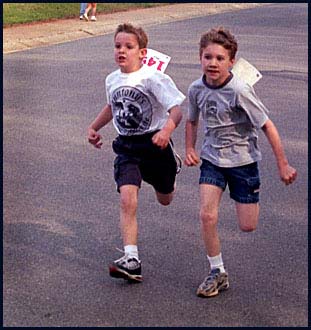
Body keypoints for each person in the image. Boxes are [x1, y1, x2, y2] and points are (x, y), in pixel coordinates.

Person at [185, 27, 297, 298]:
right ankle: (217, 271)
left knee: (248, 225)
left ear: (231, 61)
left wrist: (283, 164)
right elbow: (191, 120)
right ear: (200, 57)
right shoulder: (195, 89)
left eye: (220, 58)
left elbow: (267, 126)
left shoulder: (239, 90)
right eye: (208, 57)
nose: (213, 63)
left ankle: (247, 196)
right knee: (207, 215)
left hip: (243, 162)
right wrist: (189, 147)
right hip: (212, 159)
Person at [87, 23, 185, 283]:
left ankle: (170, 169)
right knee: (127, 198)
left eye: (128, 47)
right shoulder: (112, 79)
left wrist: (166, 132)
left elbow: (176, 110)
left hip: (155, 144)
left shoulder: (153, 78)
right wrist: (94, 127)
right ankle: (132, 259)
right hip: (127, 146)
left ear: (142, 53)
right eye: (117, 46)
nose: (121, 51)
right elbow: (112, 106)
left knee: (166, 197)